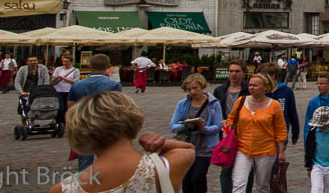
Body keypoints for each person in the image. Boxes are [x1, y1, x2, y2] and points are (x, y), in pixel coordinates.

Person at [52, 91, 194, 193]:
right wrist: (160, 143)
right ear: (135, 121)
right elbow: (188, 149)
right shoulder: (163, 168)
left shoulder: (64, 189)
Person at [223, 74, 287, 193]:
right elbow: (231, 118)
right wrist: (229, 128)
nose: (251, 88)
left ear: (265, 87)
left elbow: (280, 129)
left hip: (266, 150)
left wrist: (281, 151)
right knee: (238, 183)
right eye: (250, 85)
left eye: (255, 85)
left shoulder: (274, 105)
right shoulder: (241, 101)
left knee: (262, 185)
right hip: (242, 148)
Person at [68, 54, 124, 171]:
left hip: (84, 126)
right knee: (108, 159)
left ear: (90, 66)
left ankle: (85, 185)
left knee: (84, 163)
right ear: (108, 66)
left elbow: (70, 108)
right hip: (106, 127)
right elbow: (118, 108)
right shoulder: (114, 85)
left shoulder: (77, 85)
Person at [170, 74, 224, 193]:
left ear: (202, 87)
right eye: (189, 89)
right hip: (187, 146)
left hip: (205, 146)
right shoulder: (183, 104)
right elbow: (173, 125)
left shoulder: (213, 104)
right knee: (186, 180)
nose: (192, 92)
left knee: (198, 177)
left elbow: (218, 126)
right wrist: (184, 126)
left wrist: (203, 129)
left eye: (195, 88)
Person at [213, 60, 253, 193]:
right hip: (226, 132)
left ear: (243, 73)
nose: (233, 74)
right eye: (231, 71)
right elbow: (215, 110)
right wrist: (221, 121)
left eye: (237, 71)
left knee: (247, 165)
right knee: (226, 165)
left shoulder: (249, 89)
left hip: (245, 131)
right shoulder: (220, 90)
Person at [256, 63, 299, 146]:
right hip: (261, 133)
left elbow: (292, 113)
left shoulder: (286, 91)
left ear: (273, 75)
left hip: (280, 133)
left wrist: (295, 134)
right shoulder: (259, 90)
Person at [51, 54, 79, 124]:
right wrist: (56, 78)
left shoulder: (75, 70)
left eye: (66, 62)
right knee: (60, 107)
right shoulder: (58, 69)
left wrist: (64, 78)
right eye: (63, 61)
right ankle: (58, 122)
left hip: (69, 91)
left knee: (68, 108)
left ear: (71, 62)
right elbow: (52, 79)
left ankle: (66, 121)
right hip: (58, 90)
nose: (64, 63)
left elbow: (75, 81)